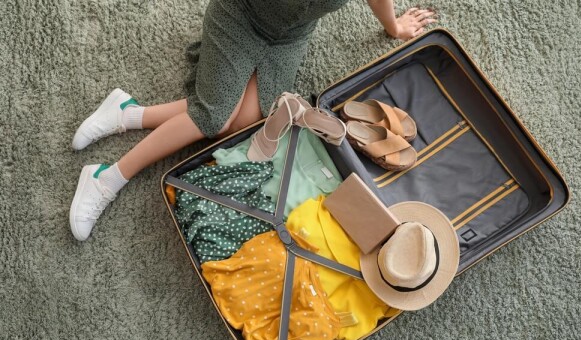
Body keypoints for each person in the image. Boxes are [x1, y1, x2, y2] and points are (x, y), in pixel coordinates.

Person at [69, 0, 437, 241]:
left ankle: (128, 113)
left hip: (289, 38)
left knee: (246, 120)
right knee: (213, 118)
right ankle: (107, 177)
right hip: (240, 15)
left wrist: (394, 27)